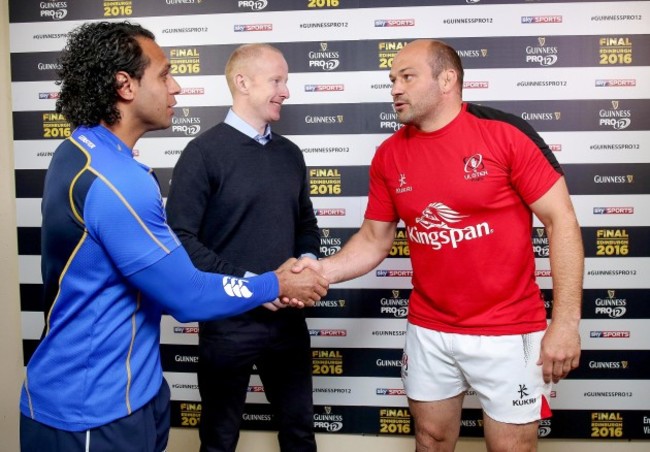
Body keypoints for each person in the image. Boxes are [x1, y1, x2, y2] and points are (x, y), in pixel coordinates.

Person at [19, 22, 328, 452]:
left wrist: (297, 267)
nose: (177, 86)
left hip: (134, 390)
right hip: (93, 406)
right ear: (125, 85)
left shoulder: (79, 150)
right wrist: (276, 283)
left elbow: (153, 278)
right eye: (165, 74)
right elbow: (187, 294)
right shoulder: (116, 181)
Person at [292, 39, 584, 451]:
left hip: (508, 329)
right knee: (430, 439)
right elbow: (374, 239)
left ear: (447, 79)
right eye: (392, 79)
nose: (395, 88)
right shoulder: (389, 155)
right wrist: (320, 272)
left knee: (511, 447)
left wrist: (567, 323)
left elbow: (562, 222)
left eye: (407, 77)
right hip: (429, 329)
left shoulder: (504, 134)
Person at [165, 43, 320, 452]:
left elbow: (306, 224)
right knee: (219, 438)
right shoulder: (203, 153)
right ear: (242, 82)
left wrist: (305, 264)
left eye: (285, 81)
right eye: (277, 80)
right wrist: (257, 285)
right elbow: (181, 238)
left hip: (289, 323)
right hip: (227, 323)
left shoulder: (290, 153)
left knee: (300, 433)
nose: (286, 91)